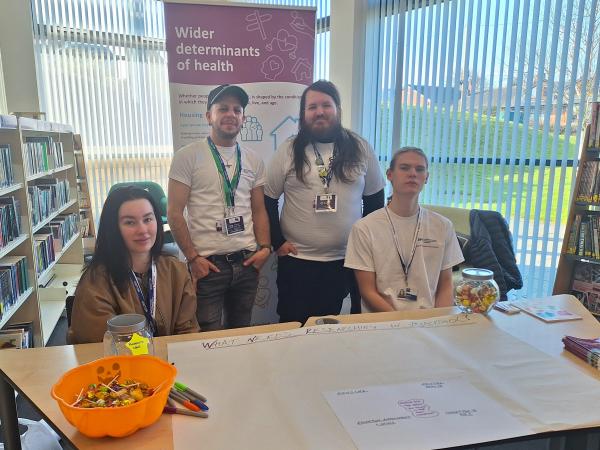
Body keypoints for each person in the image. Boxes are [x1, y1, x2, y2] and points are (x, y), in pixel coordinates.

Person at [265, 80, 385, 324]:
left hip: (347, 261)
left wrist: (365, 247)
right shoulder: (289, 150)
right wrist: (277, 241)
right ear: (303, 114)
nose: (319, 112)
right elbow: (267, 198)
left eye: (326, 105)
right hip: (298, 261)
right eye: (312, 107)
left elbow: (374, 200)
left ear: (337, 110)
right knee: (293, 326)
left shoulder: (360, 148)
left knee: (338, 330)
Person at [168, 84, 271, 331]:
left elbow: (258, 210)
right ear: (208, 115)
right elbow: (174, 212)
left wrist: (265, 248)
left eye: (237, 110)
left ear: (243, 118)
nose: (230, 114)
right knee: (207, 336)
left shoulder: (253, 159)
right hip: (208, 266)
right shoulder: (187, 156)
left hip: (246, 262)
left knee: (241, 332)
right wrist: (193, 258)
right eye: (222, 108)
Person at [68, 186, 199, 344]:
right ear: (114, 228)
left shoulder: (176, 269)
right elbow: (102, 344)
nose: (142, 230)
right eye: (130, 222)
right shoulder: (95, 282)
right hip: (120, 365)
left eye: (148, 219)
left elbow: (187, 331)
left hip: (169, 364)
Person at [344, 147, 464, 312]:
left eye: (419, 169)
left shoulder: (443, 226)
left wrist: (440, 321)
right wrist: (402, 323)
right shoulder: (364, 228)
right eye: (404, 168)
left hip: (429, 323)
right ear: (390, 175)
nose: (412, 173)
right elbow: (367, 291)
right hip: (383, 323)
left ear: (426, 177)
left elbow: (445, 285)